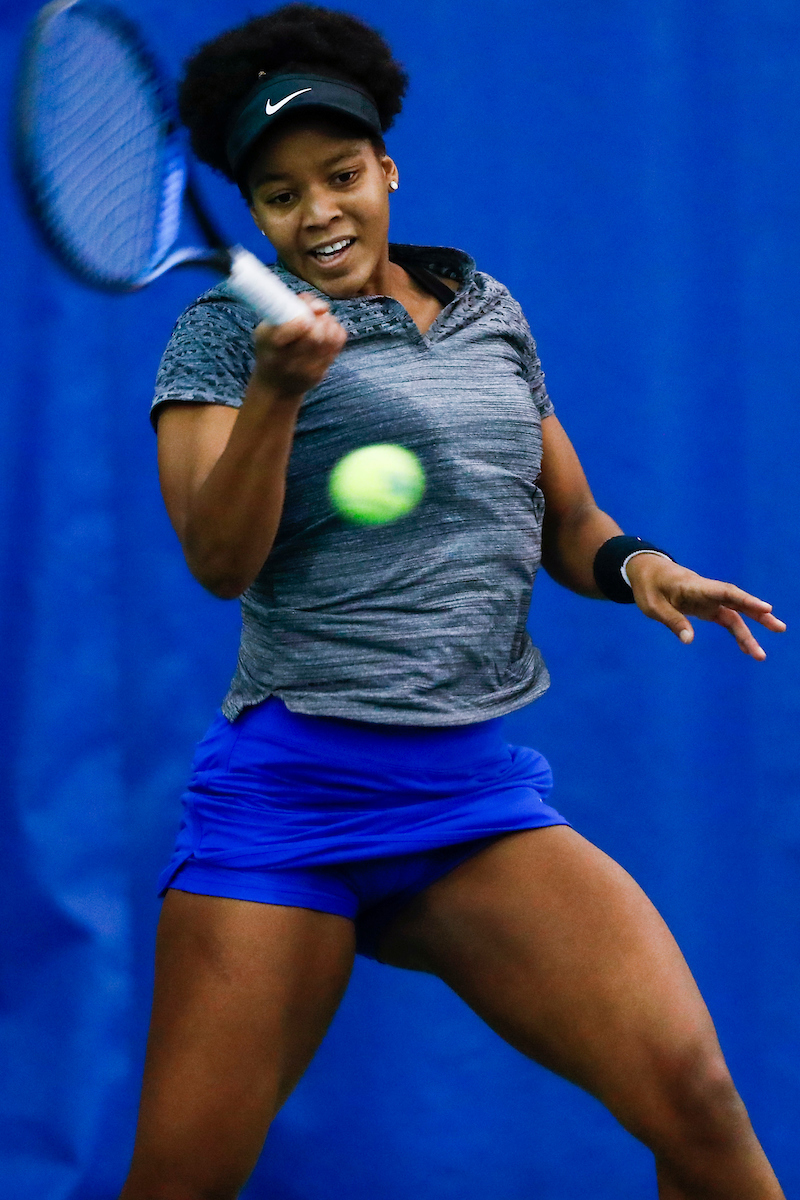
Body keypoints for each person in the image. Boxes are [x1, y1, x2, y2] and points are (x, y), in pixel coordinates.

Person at [120, 5, 787, 1198]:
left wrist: (638, 566)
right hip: (291, 801)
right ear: (255, 213)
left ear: (386, 168)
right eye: (279, 195)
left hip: (467, 798)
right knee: (180, 1182)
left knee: (695, 1101)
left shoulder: (484, 307)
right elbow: (217, 561)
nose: (318, 211)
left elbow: (561, 519)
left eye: (339, 175)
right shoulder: (221, 336)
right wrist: (280, 392)